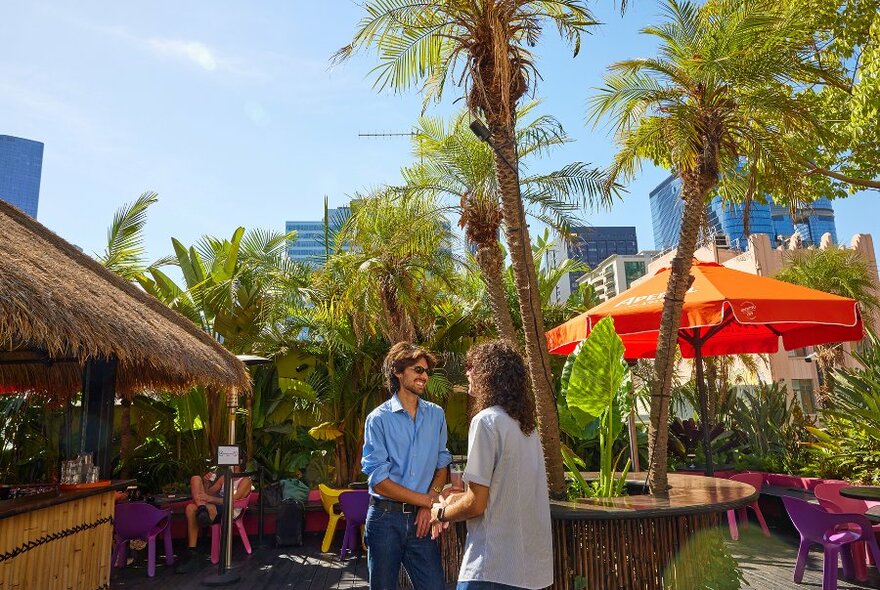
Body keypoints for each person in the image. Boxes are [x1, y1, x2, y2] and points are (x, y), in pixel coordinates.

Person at [430, 340, 552, 590]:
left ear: (489, 374)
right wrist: (456, 499)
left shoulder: (486, 421)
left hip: (492, 566)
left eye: (472, 367)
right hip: (530, 570)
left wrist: (440, 513)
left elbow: (476, 504)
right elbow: (502, 492)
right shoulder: (526, 427)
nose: (467, 373)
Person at [361, 342, 452, 590]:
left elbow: (442, 464)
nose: (424, 376)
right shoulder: (378, 419)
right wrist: (426, 501)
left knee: (434, 586)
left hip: (419, 520)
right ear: (398, 372)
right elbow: (379, 481)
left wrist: (428, 501)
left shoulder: (436, 415)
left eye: (426, 371)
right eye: (417, 369)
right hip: (384, 519)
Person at [174, 464, 252, 574]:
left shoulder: (245, 480)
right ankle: (202, 511)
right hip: (214, 506)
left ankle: (192, 557)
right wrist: (206, 483)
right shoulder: (224, 478)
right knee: (195, 479)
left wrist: (209, 498)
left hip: (229, 510)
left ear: (240, 462)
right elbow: (207, 494)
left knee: (191, 509)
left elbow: (233, 500)